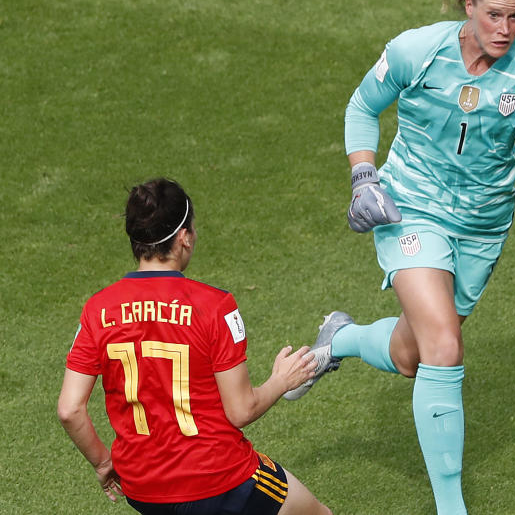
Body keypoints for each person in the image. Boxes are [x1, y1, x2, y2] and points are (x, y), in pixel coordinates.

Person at [285, 0, 515, 515]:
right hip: (410, 205)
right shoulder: (418, 49)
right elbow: (363, 107)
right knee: (445, 346)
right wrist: (364, 176)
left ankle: (345, 338)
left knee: (417, 355)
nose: (504, 29)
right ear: (468, 5)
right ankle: (451, 507)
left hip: (482, 227)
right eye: (493, 15)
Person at [57, 178, 334, 515]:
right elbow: (241, 410)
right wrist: (282, 381)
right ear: (184, 238)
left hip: (142, 488)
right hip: (220, 479)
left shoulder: (97, 310)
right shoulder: (215, 306)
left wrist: (103, 464)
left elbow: (70, 410)